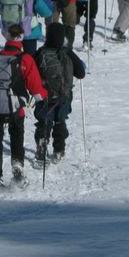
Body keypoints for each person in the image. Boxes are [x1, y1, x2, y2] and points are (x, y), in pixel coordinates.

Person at [0, 23, 47, 189]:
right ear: (21, 37)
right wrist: (44, 96)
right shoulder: (25, 59)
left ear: (6, 36)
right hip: (16, 107)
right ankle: (17, 165)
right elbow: (37, 90)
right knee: (17, 134)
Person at [32, 23, 87, 165]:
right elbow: (81, 74)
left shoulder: (40, 53)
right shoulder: (67, 52)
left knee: (44, 122)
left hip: (44, 96)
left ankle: (41, 148)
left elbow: (31, 73)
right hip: (63, 97)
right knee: (60, 121)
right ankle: (58, 150)